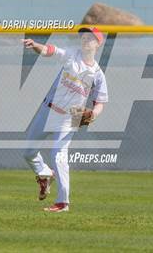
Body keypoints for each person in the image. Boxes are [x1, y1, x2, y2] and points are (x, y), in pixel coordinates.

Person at [21, 27, 108, 212]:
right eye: (84, 36)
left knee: (58, 155)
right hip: (48, 109)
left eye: (91, 37)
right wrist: (36, 45)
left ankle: (63, 202)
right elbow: (51, 50)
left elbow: (100, 102)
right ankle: (44, 173)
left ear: (98, 44)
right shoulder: (72, 55)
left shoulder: (98, 74)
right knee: (28, 151)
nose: (86, 39)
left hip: (71, 116)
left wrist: (93, 114)